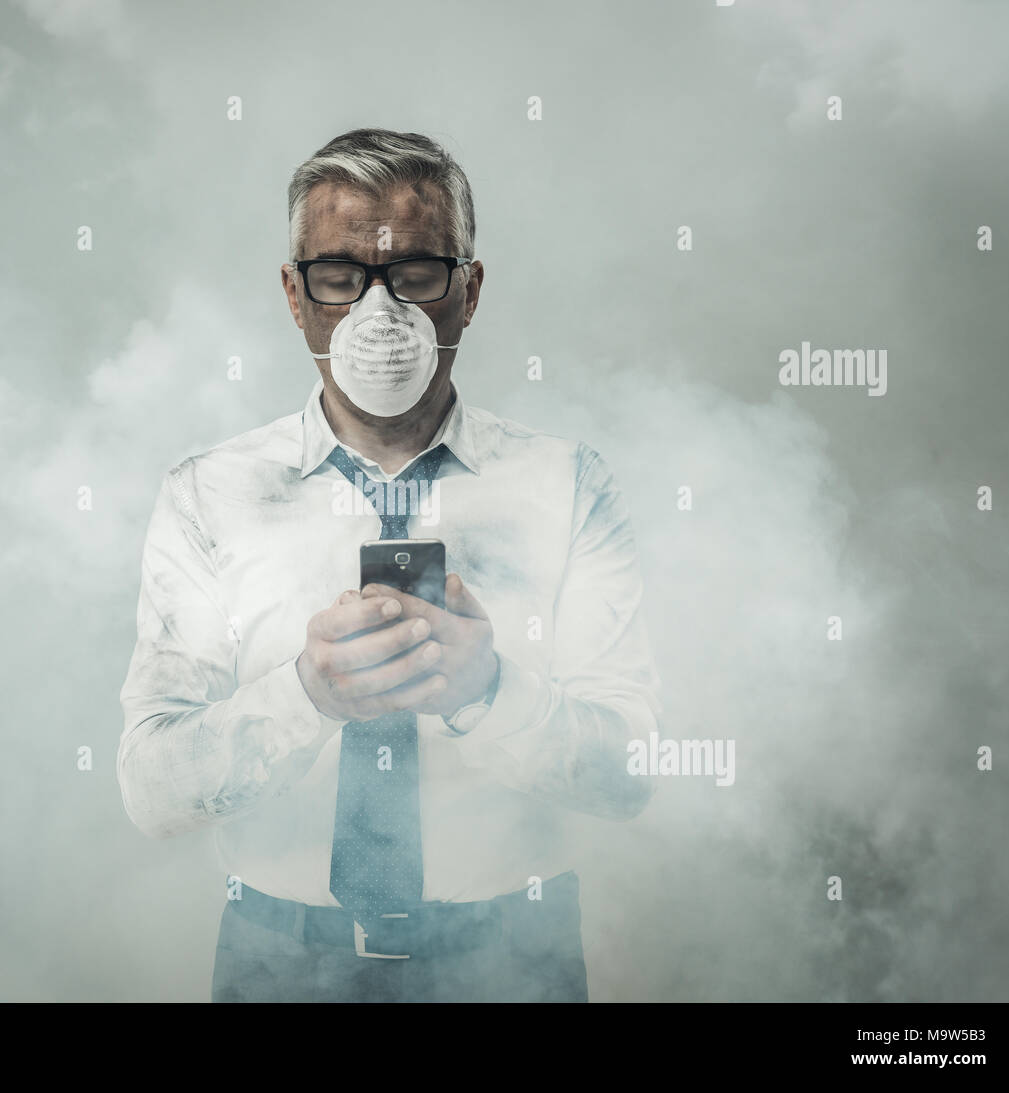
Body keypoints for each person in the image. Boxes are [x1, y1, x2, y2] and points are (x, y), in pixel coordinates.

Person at [118, 128, 662, 1002]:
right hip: (279, 959)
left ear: (470, 290)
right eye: (340, 277)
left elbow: (634, 774)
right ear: (295, 297)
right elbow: (152, 790)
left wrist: (489, 690)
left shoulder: (566, 484)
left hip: (513, 955)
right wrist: (307, 695)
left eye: (414, 274)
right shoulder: (208, 495)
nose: (380, 314)